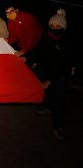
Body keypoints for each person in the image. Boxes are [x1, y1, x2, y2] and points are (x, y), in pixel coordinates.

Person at [33, 9, 76, 141]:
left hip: (59, 75)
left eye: (57, 26)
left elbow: (61, 64)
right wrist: (26, 57)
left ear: (63, 27)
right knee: (48, 94)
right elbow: (37, 50)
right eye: (52, 26)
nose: (54, 28)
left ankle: (58, 127)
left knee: (59, 100)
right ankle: (48, 108)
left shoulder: (67, 42)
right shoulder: (47, 36)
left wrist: (50, 80)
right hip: (44, 70)